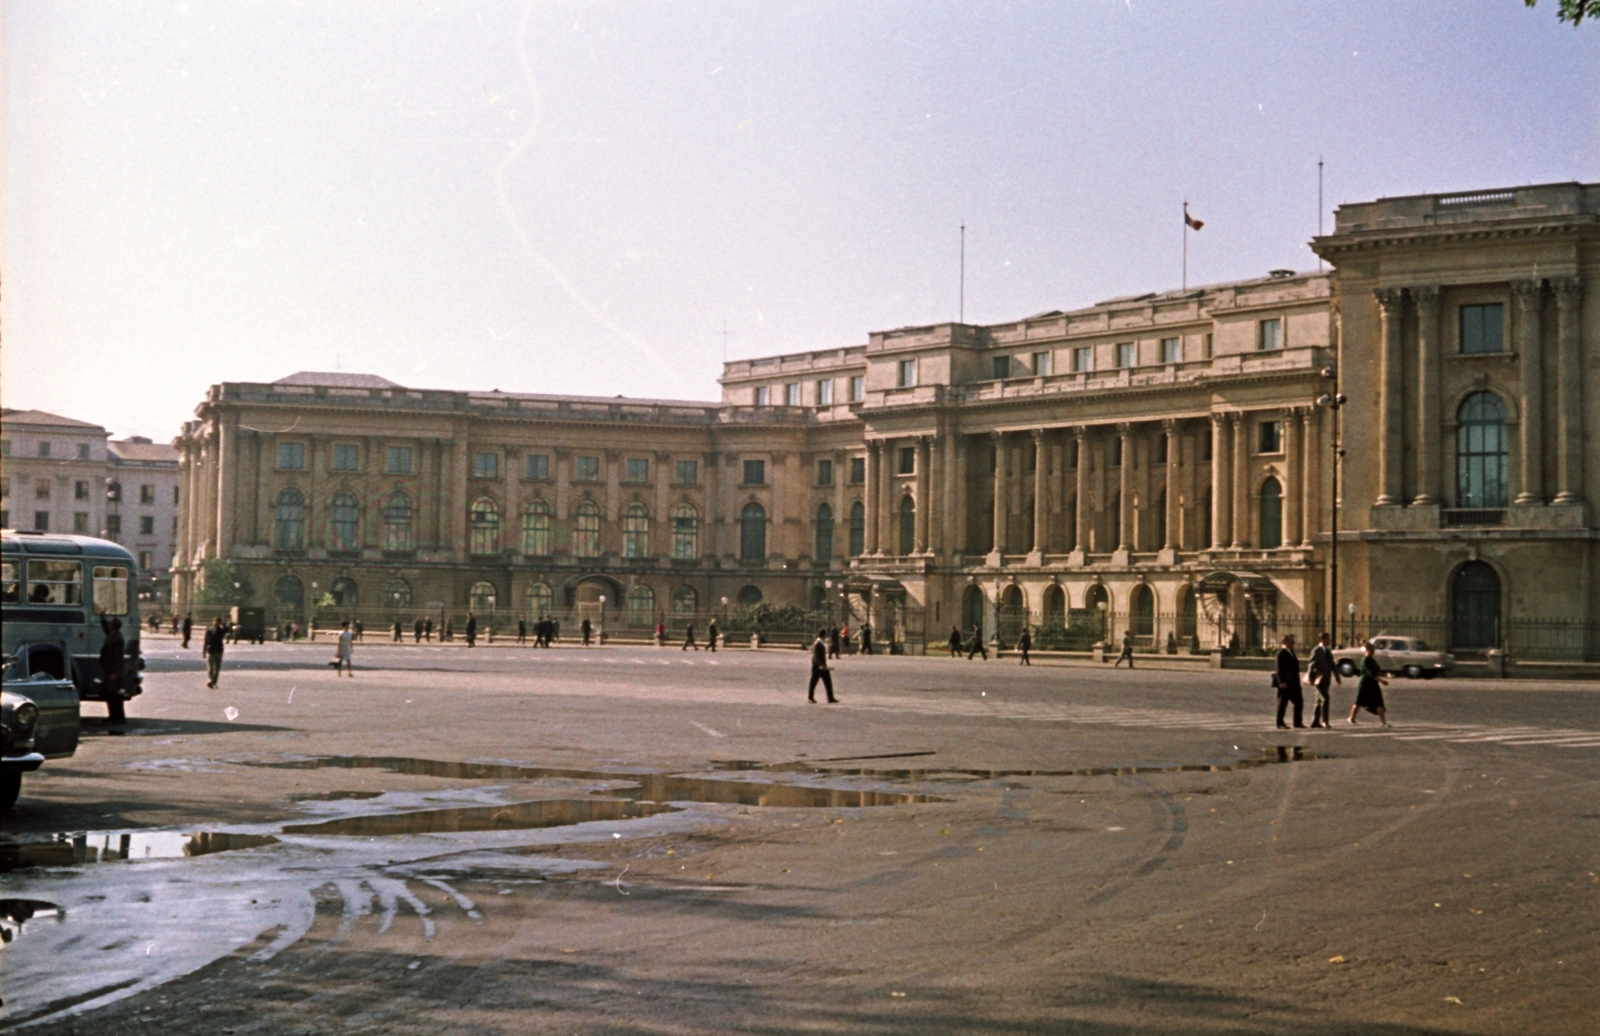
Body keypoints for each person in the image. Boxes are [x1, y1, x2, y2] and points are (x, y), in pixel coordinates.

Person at [1349, 641, 1389, 726]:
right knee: (1359, 701)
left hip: (1373, 683)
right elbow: (1370, 673)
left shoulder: (1372, 660)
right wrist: (1381, 681)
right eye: (1371, 650)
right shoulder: (1365, 660)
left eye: (1373, 650)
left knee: (1379, 702)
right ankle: (1351, 718)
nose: (1373, 652)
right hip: (1365, 683)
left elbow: (1376, 670)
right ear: (1367, 650)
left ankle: (1383, 722)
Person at [1306, 632, 1341, 728]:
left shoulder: (1328, 651)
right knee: (1325, 698)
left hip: (1326, 679)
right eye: (1327, 639)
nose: (1329, 641)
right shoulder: (1316, 650)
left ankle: (1315, 722)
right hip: (1319, 679)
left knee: (1319, 700)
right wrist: (1310, 678)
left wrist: (1337, 676)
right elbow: (1311, 664)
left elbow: (1332, 664)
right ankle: (1325, 721)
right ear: (1322, 640)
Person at [99, 617, 128, 723]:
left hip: (114, 670)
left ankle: (119, 717)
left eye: (110, 623)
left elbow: (116, 658)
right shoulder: (112, 635)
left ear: (113, 626)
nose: (108, 624)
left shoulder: (117, 640)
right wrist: (102, 618)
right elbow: (106, 629)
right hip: (110, 669)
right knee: (110, 694)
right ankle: (113, 716)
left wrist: (115, 673)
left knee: (116, 695)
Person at [1274, 633, 1303, 729]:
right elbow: (1279, 669)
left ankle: (1297, 722)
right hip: (1285, 683)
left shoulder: (1292, 652)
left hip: (1294, 683)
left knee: (1299, 702)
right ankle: (1280, 723)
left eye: (1293, 642)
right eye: (1291, 642)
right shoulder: (1281, 654)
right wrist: (1281, 682)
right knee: (1282, 703)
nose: (1293, 644)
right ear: (1284, 642)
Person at [808, 629, 838, 704]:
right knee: (813, 683)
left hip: (823, 666)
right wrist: (821, 664)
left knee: (828, 682)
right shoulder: (817, 644)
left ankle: (830, 698)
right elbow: (816, 656)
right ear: (823, 635)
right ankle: (810, 697)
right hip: (817, 666)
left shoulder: (821, 643)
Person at [202, 615, 226, 690]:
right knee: (210, 668)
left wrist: (223, 625)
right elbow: (205, 642)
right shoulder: (209, 631)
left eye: (219, 622)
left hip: (219, 651)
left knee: (217, 669)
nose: (217, 623)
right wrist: (204, 651)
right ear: (213, 622)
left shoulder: (221, 631)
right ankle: (212, 681)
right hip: (210, 651)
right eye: (216, 621)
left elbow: (227, 629)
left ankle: (213, 682)